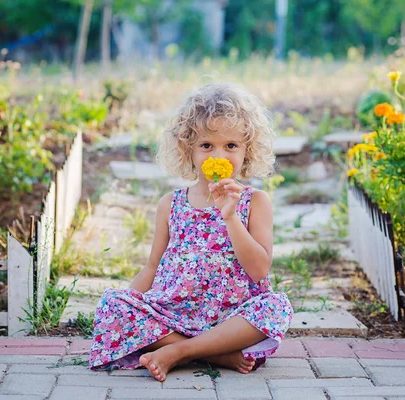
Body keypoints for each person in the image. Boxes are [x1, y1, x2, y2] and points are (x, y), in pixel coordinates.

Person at [89, 83, 293, 382]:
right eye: (206, 145)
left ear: (248, 150)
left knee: (277, 307)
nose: (218, 155)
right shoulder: (170, 204)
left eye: (231, 146)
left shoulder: (255, 202)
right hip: (174, 313)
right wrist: (123, 307)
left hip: (231, 319)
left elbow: (259, 269)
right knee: (112, 304)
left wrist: (231, 217)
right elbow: (152, 266)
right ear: (189, 150)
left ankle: (178, 352)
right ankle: (215, 354)